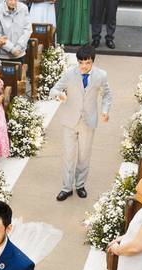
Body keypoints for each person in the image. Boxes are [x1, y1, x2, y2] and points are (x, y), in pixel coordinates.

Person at [49, 45, 112, 202]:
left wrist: (105, 111)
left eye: (87, 62)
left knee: (84, 156)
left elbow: (107, 95)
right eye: (81, 62)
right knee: (69, 156)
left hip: (88, 122)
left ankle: (80, 185)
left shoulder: (101, 75)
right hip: (70, 121)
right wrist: (59, 94)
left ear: (92, 61)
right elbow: (53, 89)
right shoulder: (69, 74)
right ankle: (66, 188)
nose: (83, 66)